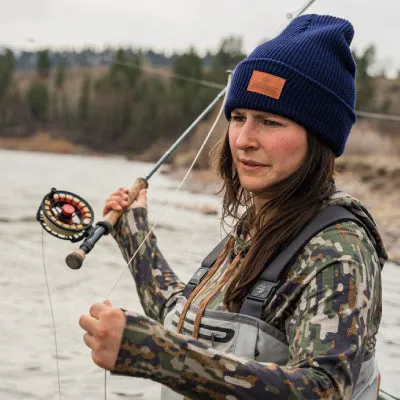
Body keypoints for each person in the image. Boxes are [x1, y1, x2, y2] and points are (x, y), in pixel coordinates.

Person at [79, 14, 388, 400]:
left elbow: (323, 389)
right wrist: (134, 233)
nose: (243, 139)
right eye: (238, 117)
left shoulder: (336, 250)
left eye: (270, 122)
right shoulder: (258, 226)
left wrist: (156, 354)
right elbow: (188, 323)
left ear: (318, 138)